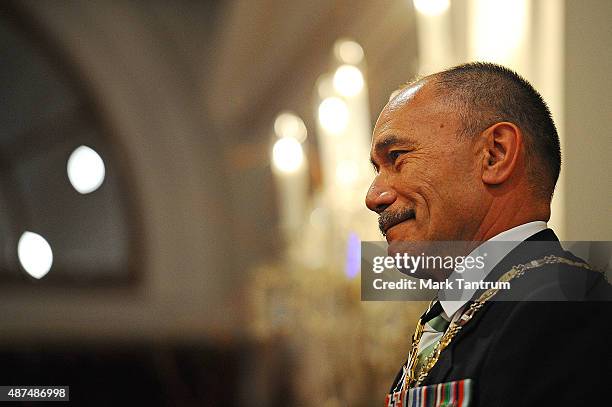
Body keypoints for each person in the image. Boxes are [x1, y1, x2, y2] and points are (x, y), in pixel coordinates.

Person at [365, 62, 611, 406]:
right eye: (377, 169)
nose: (374, 196)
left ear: (495, 154)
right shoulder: (461, 313)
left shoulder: (566, 309)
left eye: (397, 157)